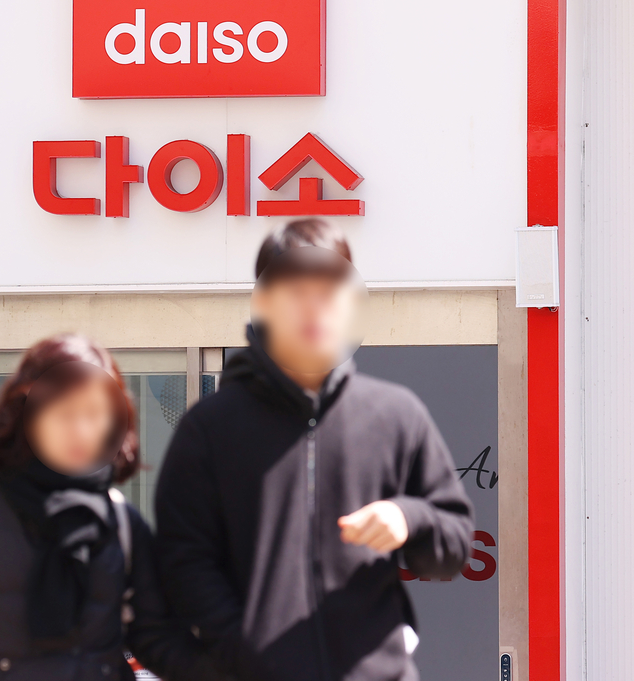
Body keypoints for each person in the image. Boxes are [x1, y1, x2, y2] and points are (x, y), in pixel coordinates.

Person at [154, 218, 474, 681]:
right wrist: (245, 650)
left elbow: (454, 544)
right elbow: (182, 562)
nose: (313, 309)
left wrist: (409, 517)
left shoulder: (395, 415)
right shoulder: (210, 428)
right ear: (263, 304)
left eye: (329, 292)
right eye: (295, 292)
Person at [0, 334, 219, 681]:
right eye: (64, 413)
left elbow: (154, 637)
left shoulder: (121, 521)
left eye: (95, 414)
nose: (80, 429)